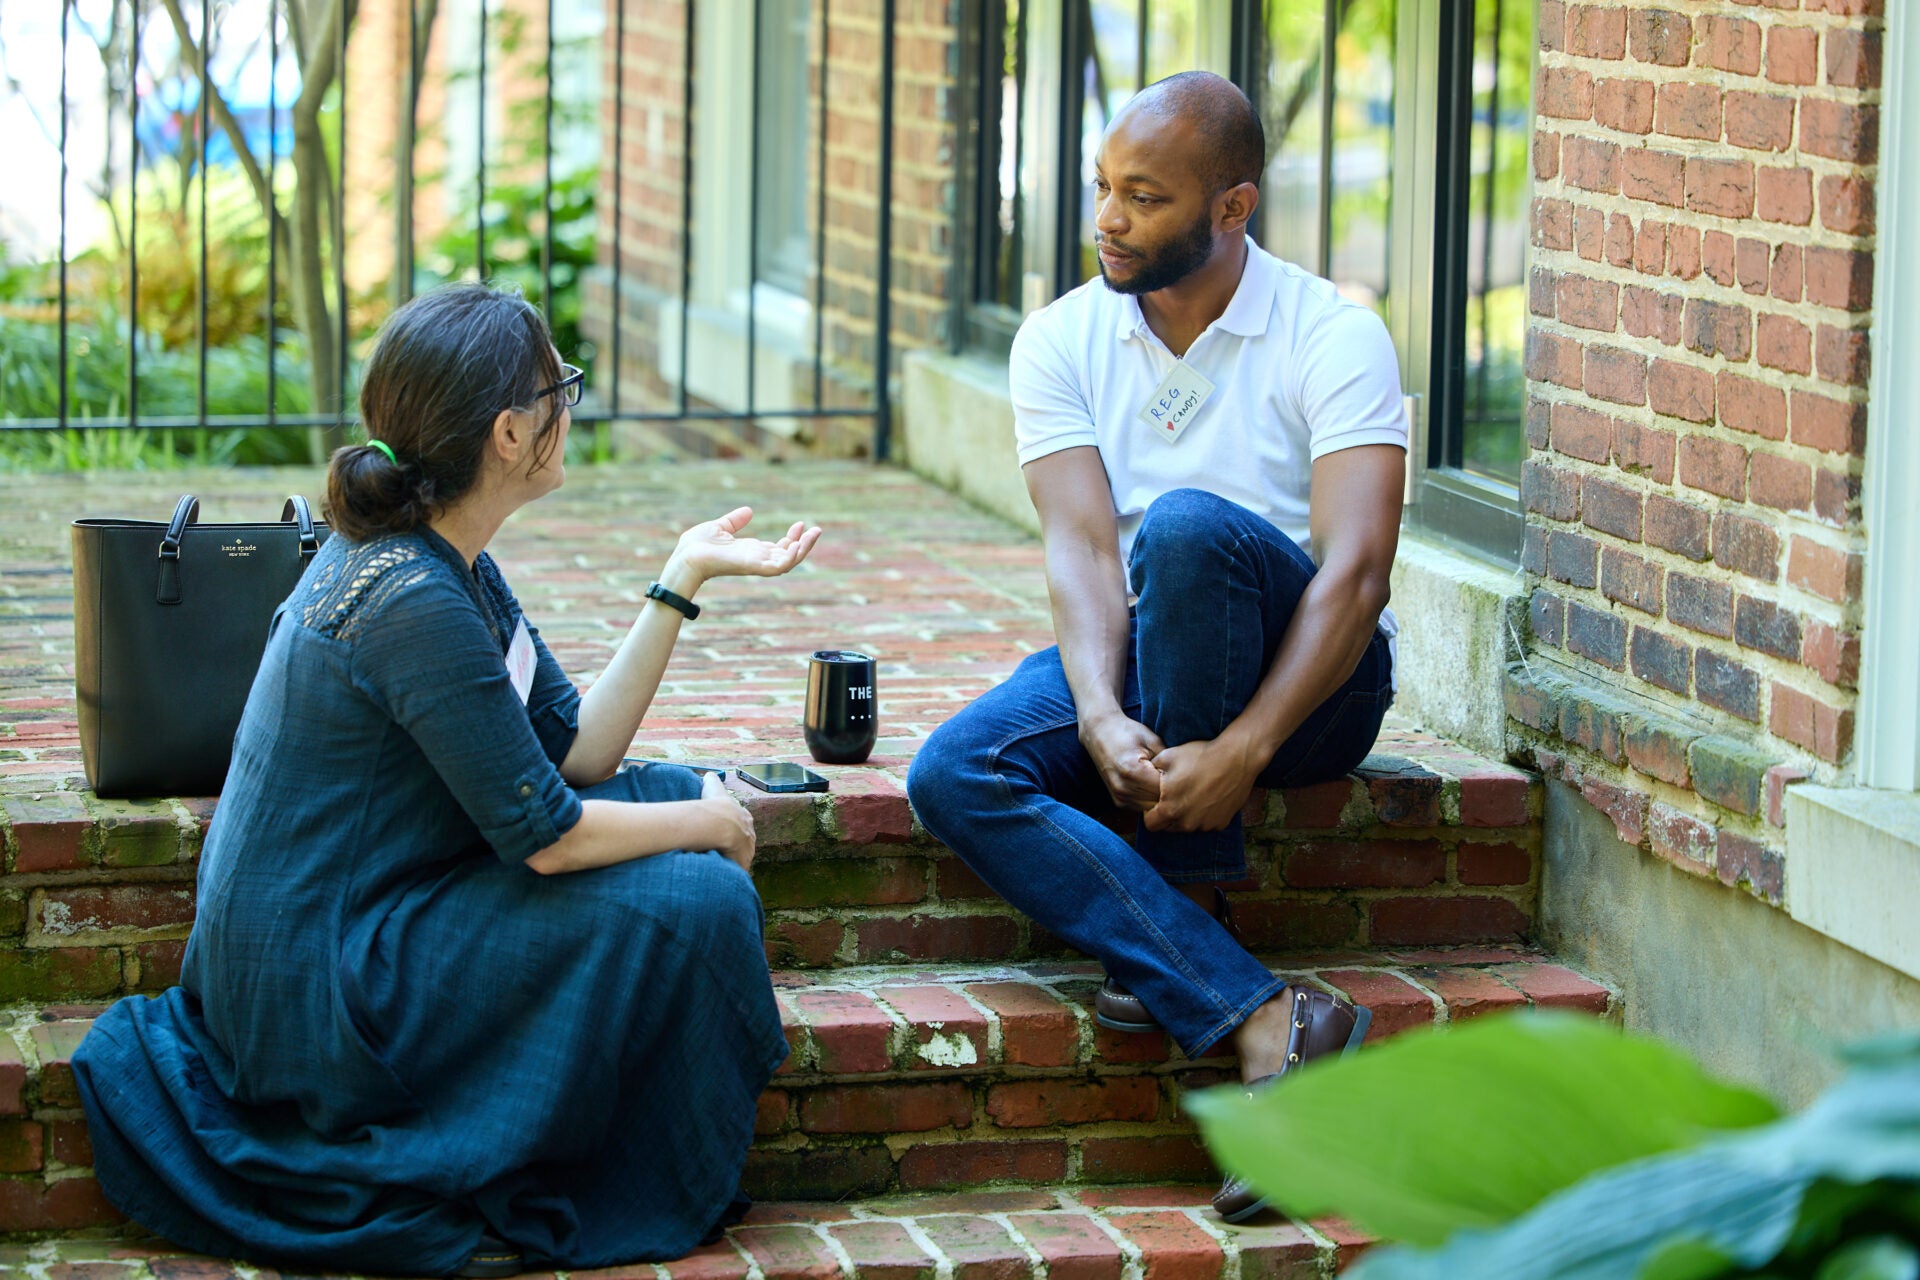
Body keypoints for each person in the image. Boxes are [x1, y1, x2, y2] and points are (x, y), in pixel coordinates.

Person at [72, 282, 822, 1277]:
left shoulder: (449, 558)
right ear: (510, 433)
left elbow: (579, 751)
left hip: (381, 902)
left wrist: (682, 574)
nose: (571, 404)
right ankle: (618, 1174)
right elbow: (549, 832)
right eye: (564, 386)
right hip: (323, 983)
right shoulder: (410, 595)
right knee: (702, 893)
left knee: (659, 792)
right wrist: (713, 824)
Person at [905, 71, 1407, 1222]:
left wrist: (1245, 745)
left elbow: (1358, 571)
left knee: (1183, 527)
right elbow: (1081, 549)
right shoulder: (1062, 339)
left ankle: (1191, 901)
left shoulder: (1330, 333)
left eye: (1143, 196)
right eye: (1101, 188)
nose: (1109, 219)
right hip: (1149, 652)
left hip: (1318, 687)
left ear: (1232, 208)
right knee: (954, 769)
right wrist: (1092, 708)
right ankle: (1269, 1018)